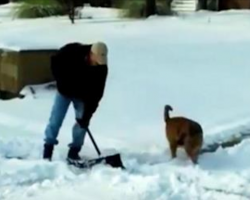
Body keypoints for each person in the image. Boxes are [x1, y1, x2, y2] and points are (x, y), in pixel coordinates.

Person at [43, 41, 108, 164]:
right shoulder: (73, 51)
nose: (98, 63)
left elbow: (97, 94)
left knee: (82, 123)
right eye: (97, 59)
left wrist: (88, 114)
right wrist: (61, 81)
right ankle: (48, 150)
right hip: (64, 91)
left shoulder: (101, 68)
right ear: (91, 54)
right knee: (56, 120)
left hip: (82, 97)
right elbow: (55, 61)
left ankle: (74, 151)